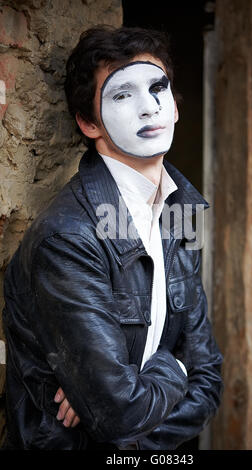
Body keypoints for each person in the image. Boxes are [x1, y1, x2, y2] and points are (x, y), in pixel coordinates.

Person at [2, 25, 224, 450]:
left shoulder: (181, 214)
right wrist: (176, 367)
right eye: (122, 95)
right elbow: (120, 414)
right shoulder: (67, 238)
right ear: (89, 122)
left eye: (157, 87)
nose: (148, 108)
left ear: (175, 108)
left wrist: (141, 385)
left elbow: (209, 381)